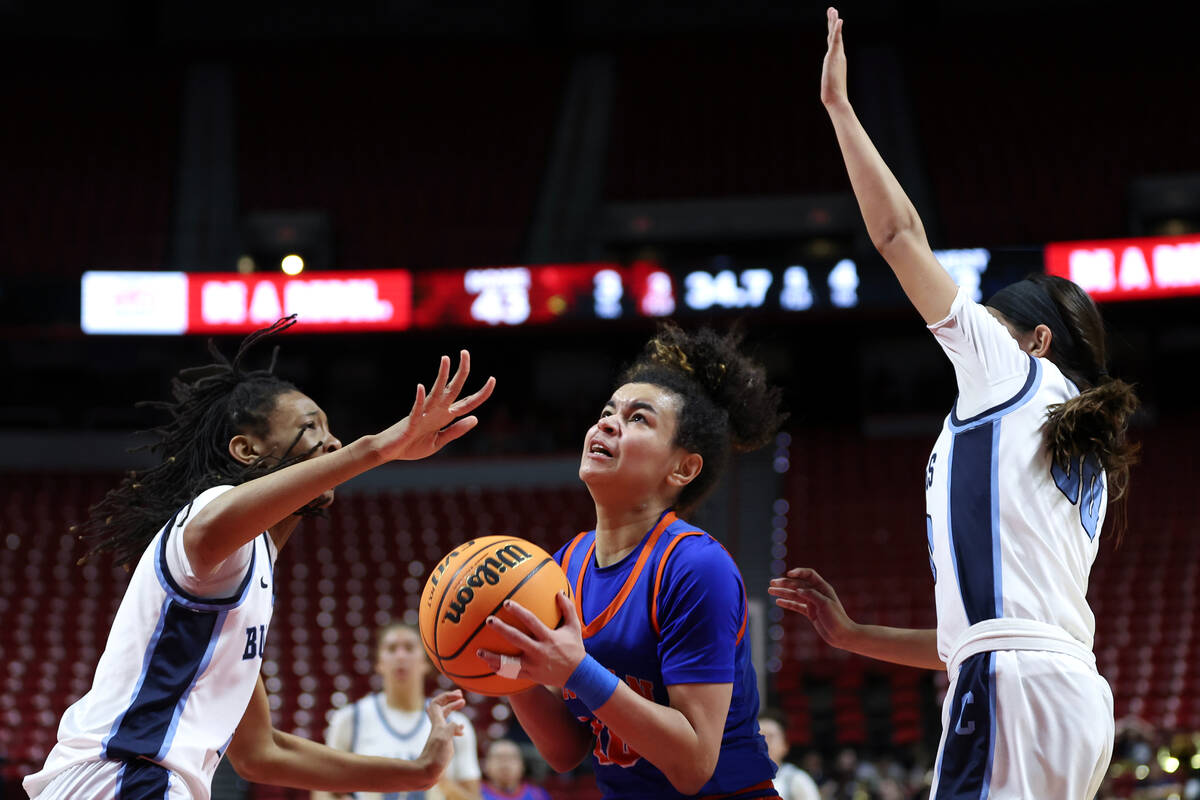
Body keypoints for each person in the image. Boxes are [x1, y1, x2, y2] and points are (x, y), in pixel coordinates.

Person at [770, 9, 1140, 800]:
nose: (969, 327)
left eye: (992, 320)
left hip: (1015, 687)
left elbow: (900, 236)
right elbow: (976, 634)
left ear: (1034, 339)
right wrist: (853, 635)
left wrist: (839, 107)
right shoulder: (1070, 445)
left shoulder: (1014, 376)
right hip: (1059, 690)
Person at [24, 316, 495, 800]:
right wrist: (378, 448)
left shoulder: (253, 570)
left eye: (333, 431)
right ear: (247, 450)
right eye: (311, 427)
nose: (332, 442)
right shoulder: (210, 516)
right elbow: (212, 527)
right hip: (122, 777)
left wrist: (415, 773)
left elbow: (260, 752)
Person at [476, 324, 788, 799]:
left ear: (682, 467)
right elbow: (565, 751)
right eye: (606, 411)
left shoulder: (696, 568)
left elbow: (692, 765)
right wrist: (507, 670)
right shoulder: (564, 565)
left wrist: (577, 670)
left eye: (638, 418)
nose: (606, 423)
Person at [313, 623, 482, 800]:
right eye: (392, 649)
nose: (400, 656)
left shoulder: (453, 723)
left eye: (409, 648)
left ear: (425, 662)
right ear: (379, 663)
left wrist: (442, 782)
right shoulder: (349, 719)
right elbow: (322, 793)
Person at [756, 711, 819, 800]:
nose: (764, 742)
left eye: (770, 736)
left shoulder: (797, 779)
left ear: (785, 746)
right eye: (759, 736)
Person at [479, 739, 550, 800]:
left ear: (522, 765)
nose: (505, 764)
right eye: (498, 758)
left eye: (511, 758)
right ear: (486, 765)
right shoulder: (474, 793)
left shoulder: (537, 795)